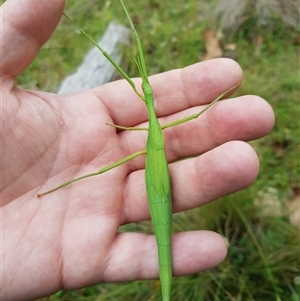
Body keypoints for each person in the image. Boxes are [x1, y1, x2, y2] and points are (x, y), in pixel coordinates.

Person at [1, 0, 275, 300]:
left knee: (120, 176)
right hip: (156, 185)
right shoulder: (145, 126)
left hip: (160, 189)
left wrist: (218, 97)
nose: (146, 87)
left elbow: (195, 115)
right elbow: (188, 114)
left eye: (146, 90)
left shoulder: (147, 130)